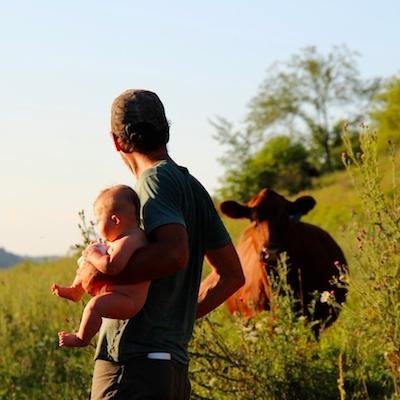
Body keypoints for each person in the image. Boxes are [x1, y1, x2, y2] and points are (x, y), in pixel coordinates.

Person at [76, 89, 245, 400]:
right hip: (168, 369)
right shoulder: (192, 188)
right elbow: (232, 274)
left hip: (133, 367)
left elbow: (173, 253)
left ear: (115, 141)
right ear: (166, 131)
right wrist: (174, 321)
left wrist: (101, 275)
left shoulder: (154, 181)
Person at [51, 185, 149, 348]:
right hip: (117, 291)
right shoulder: (120, 239)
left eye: (98, 220)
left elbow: (112, 266)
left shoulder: (131, 239)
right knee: (88, 262)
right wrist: (95, 253)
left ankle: (81, 338)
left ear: (115, 220)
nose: (97, 226)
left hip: (128, 300)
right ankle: (76, 290)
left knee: (94, 306)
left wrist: (93, 255)